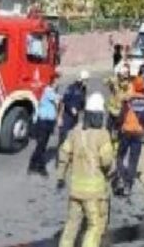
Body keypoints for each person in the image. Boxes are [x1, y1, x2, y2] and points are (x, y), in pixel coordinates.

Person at [57, 92, 115, 247]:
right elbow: (107, 161)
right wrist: (112, 171)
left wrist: (60, 176)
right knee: (94, 226)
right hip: (93, 192)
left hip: (75, 190)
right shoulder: (102, 134)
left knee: (71, 225)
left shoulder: (75, 131)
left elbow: (64, 153)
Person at [114, 76, 144, 197]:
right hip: (138, 133)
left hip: (125, 131)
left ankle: (121, 176)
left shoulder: (128, 99)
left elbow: (121, 116)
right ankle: (128, 185)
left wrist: (117, 128)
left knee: (120, 156)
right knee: (133, 159)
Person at [29, 73, 61, 176]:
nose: (58, 83)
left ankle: (33, 164)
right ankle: (40, 167)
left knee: (42, 145)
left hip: (49, 122)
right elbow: (58, 100)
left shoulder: (52, 91)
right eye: (57, 81)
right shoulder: (48, 91)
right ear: (53, 82)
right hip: (43, 122)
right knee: (41, 145)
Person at [59, 70, 90, 145]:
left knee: (73, 136)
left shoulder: (83, 89)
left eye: (87, 80)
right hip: (67, 115)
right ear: (81, 79)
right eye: (85, 80)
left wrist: (84, 109)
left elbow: (82, 102)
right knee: (64, 136)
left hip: (75, 116)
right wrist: (71, 108)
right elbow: (64, 100)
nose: (86, 82)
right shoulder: (71, 88)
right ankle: (61, 150)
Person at [105, 65, 131, 143]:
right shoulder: (115, 81)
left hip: (120, 110)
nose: (124, 77)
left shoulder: (127, 84)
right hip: (112, 108)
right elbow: (105, 82)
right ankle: (109, 139)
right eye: (123, 75)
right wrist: (112, 80)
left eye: (126, 75)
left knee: (119, 127)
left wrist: (121, 88)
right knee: (109, 126)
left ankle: (119, 141)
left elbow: (127, 97)